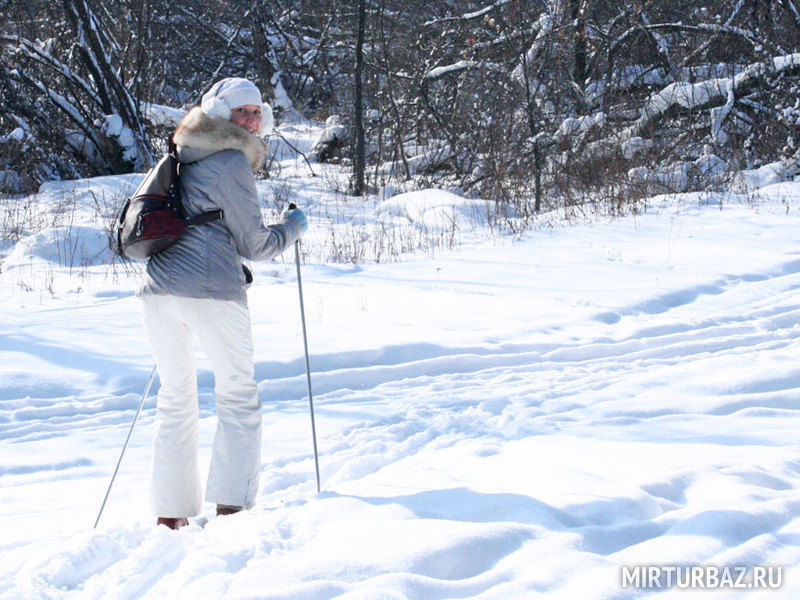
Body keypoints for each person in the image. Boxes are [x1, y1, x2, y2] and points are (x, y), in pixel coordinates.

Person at [137, 77, 308, 529]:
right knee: (237, 395)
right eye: (241, 112)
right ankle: (233, 509)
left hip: (158, 289)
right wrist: (294, 225)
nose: (251, 120)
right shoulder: (230, 159)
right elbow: (255, 244)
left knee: (175, 397)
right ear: (220, 114)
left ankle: (170, 515)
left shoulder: (179, 151)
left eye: (257, 112)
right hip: (212, 291)